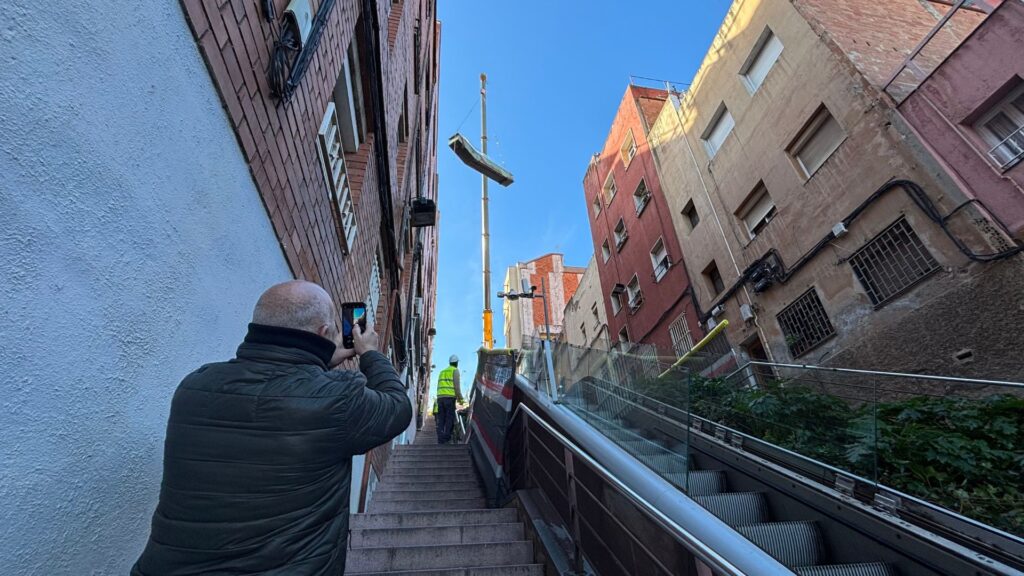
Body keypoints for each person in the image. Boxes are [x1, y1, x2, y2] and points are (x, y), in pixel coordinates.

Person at [131, 280, 411, 576]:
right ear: (323, 333)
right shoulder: (338, 399)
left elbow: (277, 392)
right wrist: (370, 353)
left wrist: (316, 364)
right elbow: (397, 406)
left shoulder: (194, 386)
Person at [435, 355, 464, 444]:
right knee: (449, 418)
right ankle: (447, 437)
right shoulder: (455, 371)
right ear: (456, 363)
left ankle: (440, 439)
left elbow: (438, 386)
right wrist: (460, 399)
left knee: (441, 419)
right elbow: (457, 387)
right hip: (449, 398)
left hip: (440, 398)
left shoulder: (442, 372)